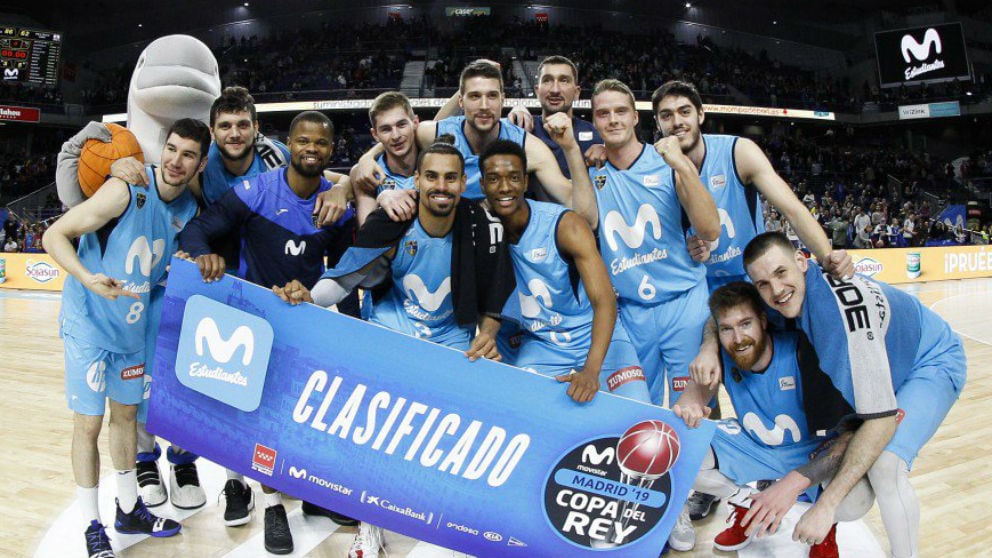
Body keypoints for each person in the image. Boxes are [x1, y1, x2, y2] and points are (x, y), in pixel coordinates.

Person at [112, 86, 356, 527]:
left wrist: (343, 185)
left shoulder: (283, 160)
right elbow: (187, 217)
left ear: (259, 131)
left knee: (295, 411)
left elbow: (346, 258)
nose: (235, 132)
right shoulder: (207, 172)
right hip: (233, 293)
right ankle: (233, 484)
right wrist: (118, 164)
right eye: (225, 126)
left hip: (298, 309)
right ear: (212, 135)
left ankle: (306, 490)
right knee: (229, 401)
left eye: (243, 124)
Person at [290, 139, 512, 558]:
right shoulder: (394, 218)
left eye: (450, 177)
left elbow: (496, 290)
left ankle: (452, 529)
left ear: (465, 183)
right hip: (392, 331)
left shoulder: (481, 224)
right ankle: (368, 527)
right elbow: (344, 275)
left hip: (450, 339)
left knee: (457, 435)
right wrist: (306, 300)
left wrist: (489, 331)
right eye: (431, 177)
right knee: (372, 436)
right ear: (416, 180)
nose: (440, 186)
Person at [179, 111, 356, 555]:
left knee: (300, 416)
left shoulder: (336, 208)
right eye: (303, 141)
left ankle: (309, 493)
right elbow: (197, 230)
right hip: (254, 326)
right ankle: (274, 506)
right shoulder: (256, 191)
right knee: (260, 419)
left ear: (331, 150)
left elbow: (349, 268)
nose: (311, 149)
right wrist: (205, 257)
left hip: (303, 325)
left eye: (320, 143)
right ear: (289, 144)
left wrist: (324, 304)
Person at [741, 231, 966, 558]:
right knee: (850, 487)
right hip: (891, 359)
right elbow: (726, 311)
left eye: (781, 273)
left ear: (802, 262)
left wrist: (825, 506)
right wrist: (707, 346)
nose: (776, 290)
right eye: (763, 284)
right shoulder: (795, 294)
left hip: (930, 358)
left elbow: (881, 421)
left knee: (885, 466)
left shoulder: (844, 323)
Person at [42, 118, 205, 558]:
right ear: (161, 149)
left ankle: (129, 508)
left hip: (132, 331)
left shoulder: (191, 209)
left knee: (126, 421)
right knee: (89, 425)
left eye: (188, 154)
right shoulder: (125, 187)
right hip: (90, 324)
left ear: (200, 163)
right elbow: (53, 234)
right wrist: (86, 276)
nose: (176, 160)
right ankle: (91, 524)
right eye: (171, 148)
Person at [674, 282, 873, 557]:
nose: (738, 338)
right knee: (682, 447)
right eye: (727, 329)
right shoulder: (720, 355)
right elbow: (690, 400)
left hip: (809, 452)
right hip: (755, 448)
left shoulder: (801, 349)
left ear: (764, 321)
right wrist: (689, 410)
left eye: (745, 324)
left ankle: (826, 527)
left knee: (857, 496)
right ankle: (747, 504)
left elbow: (848, 424)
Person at [480, 139, 651, 404]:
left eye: (514, 178)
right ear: (482, 186)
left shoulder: (565, 226)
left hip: (593, 335)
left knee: (637, 415)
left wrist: (591, 371)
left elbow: (604, 302)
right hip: (542, 343)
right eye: (493, 179)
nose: (504, 187)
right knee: (520, 412)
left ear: (525, 182)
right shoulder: (479, 229)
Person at [651, 80, 852, 290]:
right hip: (695, 283)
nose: (676, 122)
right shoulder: (652, 170)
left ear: (700, 115)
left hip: (752, 277)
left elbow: (792, 210)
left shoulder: (739, 151)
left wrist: (827, 257)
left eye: (684, 112)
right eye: (666, 115)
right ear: (657, 123)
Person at [351, 60, 597, 226]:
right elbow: (397, 137)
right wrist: (366, 159)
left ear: (503, 99)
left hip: (500, 251)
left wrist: (571, 147)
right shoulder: (433, 134)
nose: (483, 105)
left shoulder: (527, 147)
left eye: (491, 96)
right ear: (461, 101)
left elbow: (584, 214)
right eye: (474, 96)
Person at [507, 55, 603, 200]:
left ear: (577, 92)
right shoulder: (521, 128)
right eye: (547, 80)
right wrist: (514, 113)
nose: (555, 90)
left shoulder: (595, 135)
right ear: (537, 91)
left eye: (564, 80)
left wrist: (608, 150)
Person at [354, 91, 419, 225]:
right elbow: (368, 234)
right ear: (375, 135)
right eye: (386, 129)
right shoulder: (366, 174)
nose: (395, 136)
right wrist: (381, 200)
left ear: (415, 123)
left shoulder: (436, 158)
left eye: (401, 125)